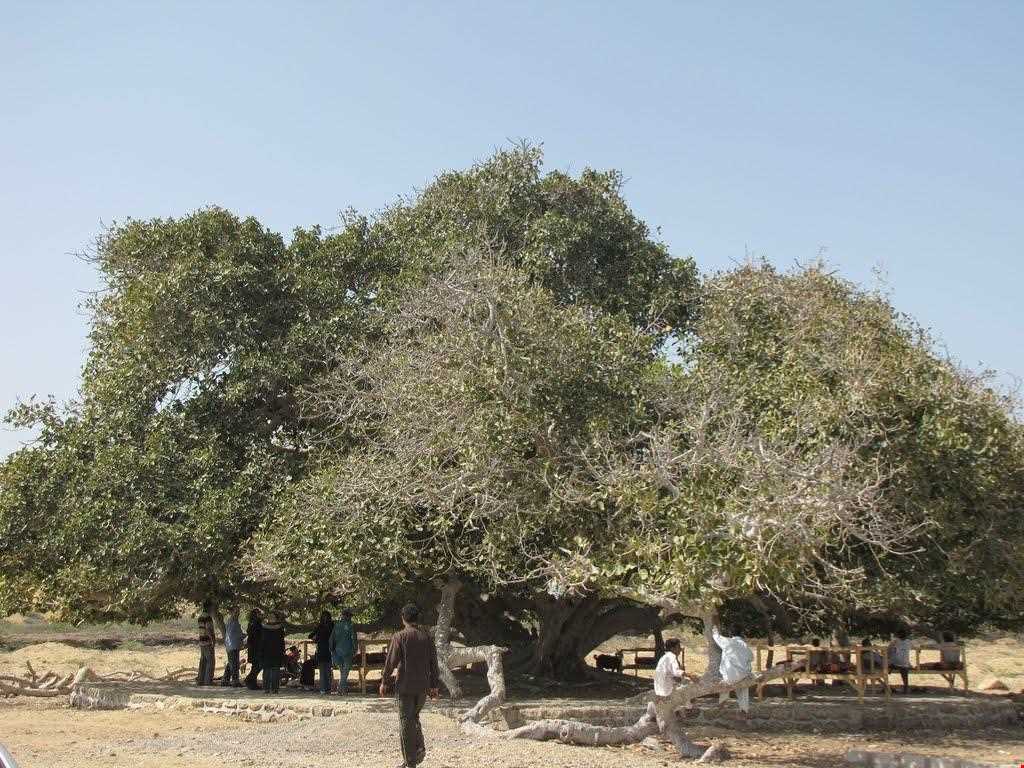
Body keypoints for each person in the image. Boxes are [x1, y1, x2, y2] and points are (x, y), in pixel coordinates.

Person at [380, 604, 440, 768]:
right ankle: (418, 750)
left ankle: (410, 761)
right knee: (414, 718)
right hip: (423, 687)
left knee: (405, 722)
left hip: (405, 687)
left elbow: (390, 661)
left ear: (403, 618)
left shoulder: (400, 636)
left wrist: (385, 681)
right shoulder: (426, 637)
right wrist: (434, 685)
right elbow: (434, 663)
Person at [713, 625, 753, 712]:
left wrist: (715, 628)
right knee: (744, 689)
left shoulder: (728, 642)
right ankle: (744, 710)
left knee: (725, 683)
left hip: (729, 677)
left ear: (730, 634)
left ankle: (721, 705)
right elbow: (751, 658)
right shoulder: (745, 645)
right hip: (743, 676)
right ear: (741, 634)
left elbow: (716, 637)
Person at [331, 608, 358, 695]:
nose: (350, 618)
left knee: (342, 671)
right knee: (345, 671)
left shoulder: (336, 625)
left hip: (337, 652)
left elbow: (331, 639)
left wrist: (332, 650)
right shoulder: (350, 625)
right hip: (347, 651)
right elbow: (353, 638)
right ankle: (340, 689)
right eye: (350, 616)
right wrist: (355, 649)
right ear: (347, 616)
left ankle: (344, 690)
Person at [260, 611, 286, 694]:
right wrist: (283, 652)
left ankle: (266, 688)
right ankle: (274, 689)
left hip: (266, 652)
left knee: (267, 670)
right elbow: (282, 642)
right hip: (276, 652)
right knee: (275, 670)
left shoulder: (264, 629)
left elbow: (262, 642)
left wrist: (261, 653)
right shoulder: (280, 629)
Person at [309, 611, 334, 694]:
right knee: (327, 670)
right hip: (328, 650)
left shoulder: (320, 627)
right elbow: (311, 636)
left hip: (322, 650)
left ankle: (324, 689)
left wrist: (316, 639)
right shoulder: (331, 626)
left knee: (323, 671)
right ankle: (327, 688)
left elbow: (311, 636)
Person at [222, 608, 244, 687]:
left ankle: (225, 680)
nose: (237, 614)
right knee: (234, 664)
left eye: (238, 612)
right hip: (233, 645)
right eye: (236, 612)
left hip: (231, 645)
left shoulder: (231, 621)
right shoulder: (233, 622)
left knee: (231, 663)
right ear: (231, 612)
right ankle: (235, 681)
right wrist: (244, 636)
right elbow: (237, 634)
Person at [887, 628, 912, 694]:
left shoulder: (895, 641)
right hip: (905, 664)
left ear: (898, 635)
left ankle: (886, 686)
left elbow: (888, 650)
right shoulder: (909, 642)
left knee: (888, 666)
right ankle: (906, 688)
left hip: (895, 663)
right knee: (904, 671)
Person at [244, 609, 263, 690]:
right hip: (256, 648)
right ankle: (249, 680)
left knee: (256, 666)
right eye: (259, 614)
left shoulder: (251, 623)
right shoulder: (256, 624)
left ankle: (252, 682)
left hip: (253, 648)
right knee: (257, 665)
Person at [196, 615, 216, 686]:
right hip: (207, 642)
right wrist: (213, 640)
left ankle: (200, 680)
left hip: (202, 641)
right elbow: (208, 630)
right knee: (210, 661)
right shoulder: (207, 617)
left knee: (203, 661)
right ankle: (208, 681)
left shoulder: (200, 617)